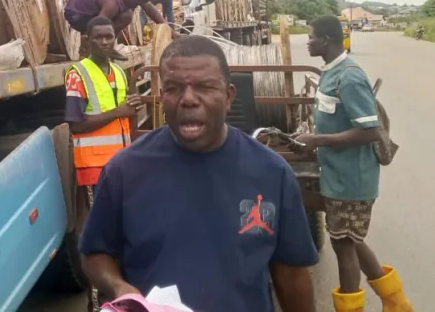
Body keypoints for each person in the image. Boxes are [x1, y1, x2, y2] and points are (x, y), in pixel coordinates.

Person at [80, 35, 318, 312]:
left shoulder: (272, 172)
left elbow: (290, 274)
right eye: (173, 88)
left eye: (204, 87)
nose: (188, 99)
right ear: (162, 97)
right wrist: (119, 287)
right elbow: (95, 253)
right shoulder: (124, 170)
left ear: (229, 96)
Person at [296, 16, 412, 312]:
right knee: (350, 240)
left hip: (352, 180)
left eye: (311, 36)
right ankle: (396, 302)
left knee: (344, 248)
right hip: (338, 176)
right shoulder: (331, 72)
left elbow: (370, 130)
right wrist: (310, 138)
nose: (307, 41)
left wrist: (318, 140)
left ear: (326, 40)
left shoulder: (348, 77)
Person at [64, 16, 144, 189]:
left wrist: (133, 106)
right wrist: (118, 111)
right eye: (98, 37)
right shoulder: (78, 74)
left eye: (109, 37)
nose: (105, 42)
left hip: (121, 160)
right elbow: (76, 124)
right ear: (87, 41)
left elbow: (125, 116)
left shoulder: (118, 71)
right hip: (96, 167)